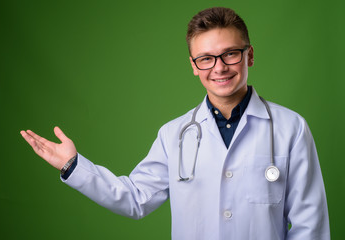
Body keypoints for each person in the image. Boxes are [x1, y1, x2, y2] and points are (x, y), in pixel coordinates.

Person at [20, 7, 330, 240]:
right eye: (206, 58)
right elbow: (134, 199)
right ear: (194, 66)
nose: (219, 68)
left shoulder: (291, 129)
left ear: (249, 56)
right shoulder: (174, 135)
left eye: (230, 54)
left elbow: (310, 224)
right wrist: (74, 166)